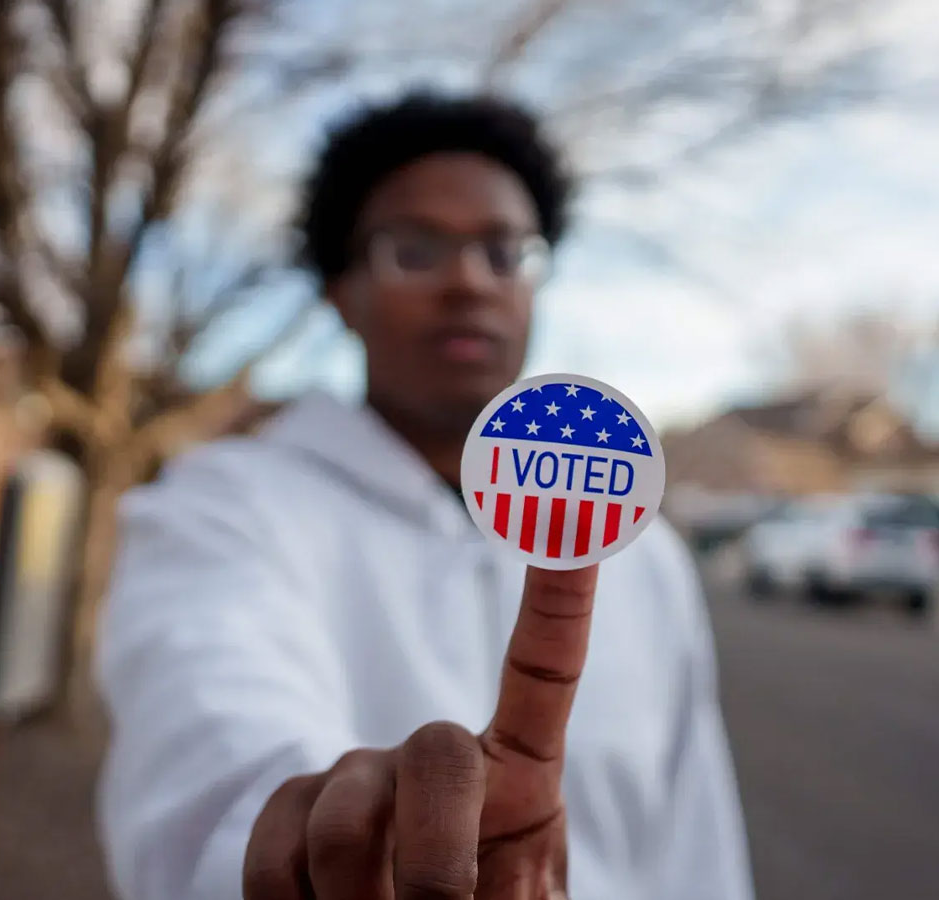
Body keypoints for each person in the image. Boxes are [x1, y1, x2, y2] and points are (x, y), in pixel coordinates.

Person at [95, 92, 753, 899]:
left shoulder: (642, 557)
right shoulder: (222, 508)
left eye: (505, 252)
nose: (470, 281)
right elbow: (207, 736)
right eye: (415, 249)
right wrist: (329, 840)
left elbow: (697, 846)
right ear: (341, 293)